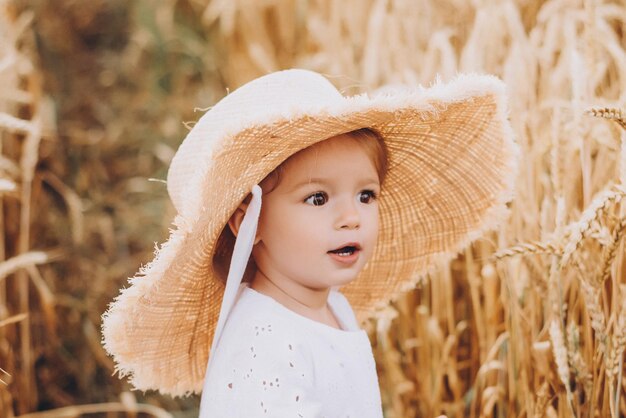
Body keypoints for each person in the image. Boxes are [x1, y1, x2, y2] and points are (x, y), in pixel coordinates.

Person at [101, 69, 519, 417]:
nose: (351, 216)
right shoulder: (263, 348)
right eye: (317, 198)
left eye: (366, 195)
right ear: (250, 224)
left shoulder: (330, 305)